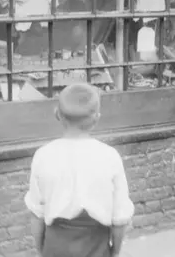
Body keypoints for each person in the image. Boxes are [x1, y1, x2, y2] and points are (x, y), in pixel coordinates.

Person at [24, 83, 135, 257]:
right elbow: (120, 219)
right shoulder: (109, 157)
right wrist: (114, 252)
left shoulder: (43, 155)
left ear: (57, 115)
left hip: (56, 247)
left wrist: (41, 250)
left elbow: (36, 215)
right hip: (96, 248)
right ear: (97, 118)